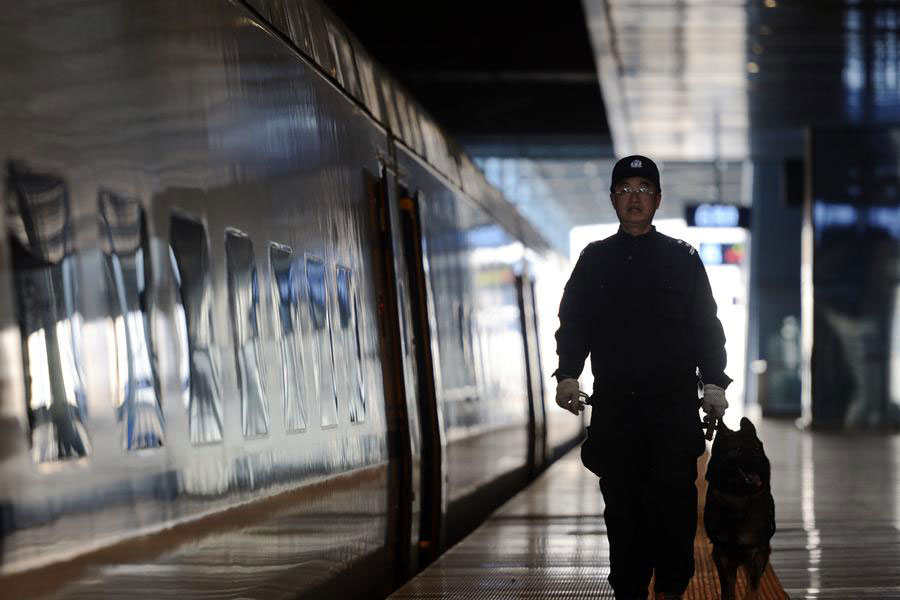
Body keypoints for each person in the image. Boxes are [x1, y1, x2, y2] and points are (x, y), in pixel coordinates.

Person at [553, 155, 731, 600]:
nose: (635, 198)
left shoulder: (682, 258)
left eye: (643, 189)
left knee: (675, 505)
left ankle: (672, 589)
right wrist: (567, 374)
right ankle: (628, 590)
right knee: (623, 509)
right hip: (616, 409)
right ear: (613, 198)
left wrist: (714, 383)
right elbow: (573, 323)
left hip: (672, 408)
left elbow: (705, 325)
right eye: (626, 189)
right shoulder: (593, 260)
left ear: (657, 200)